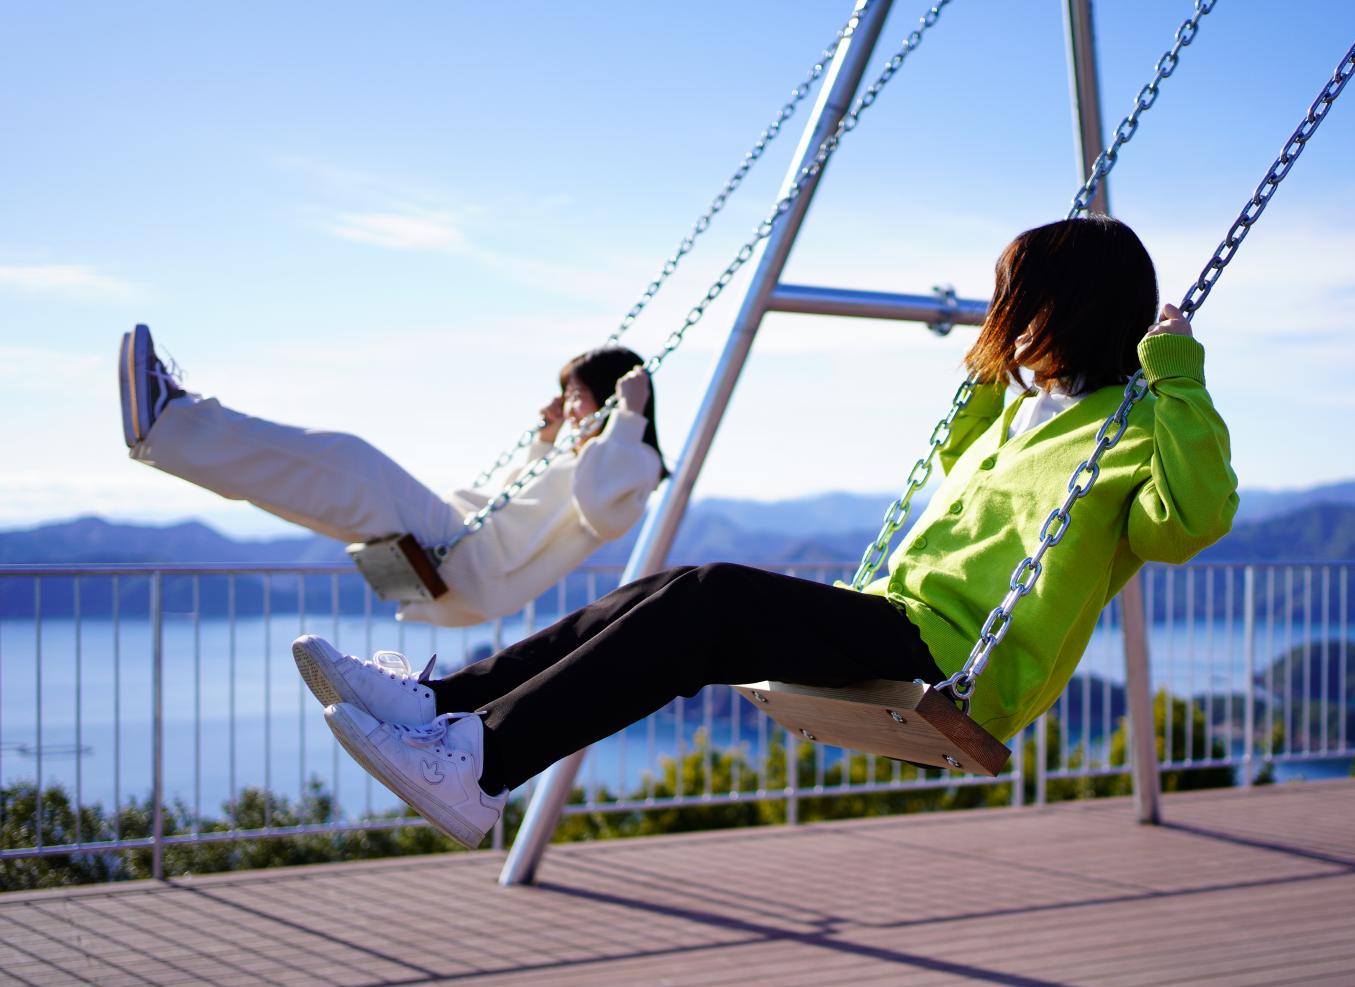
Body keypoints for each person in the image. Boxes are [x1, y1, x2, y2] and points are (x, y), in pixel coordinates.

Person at [296, 216, 1240, 848]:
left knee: (708, 596)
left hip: (955, 658)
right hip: (897, 615)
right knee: (671, 592)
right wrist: (992, 378)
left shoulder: (1141, 422)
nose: (1003, 320)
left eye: (1016, 301)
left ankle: (485, 763)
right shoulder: (1031, 411)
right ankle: (446, 706)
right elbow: (960, 468)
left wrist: (1180, 375)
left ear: (1064, 308)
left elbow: (1187, 523)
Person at [119, 330, 669, 626]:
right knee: (316, 493)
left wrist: (628, 417)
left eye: (576, 394)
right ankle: (167, 432)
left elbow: (601, 510)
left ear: (612, 397)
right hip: (469, 542)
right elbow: (516, 496)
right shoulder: (586, 456)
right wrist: (546, 439)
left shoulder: (632, 462)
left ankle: (171, 421)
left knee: (349, 461)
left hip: (475, 555)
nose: (568, 405)